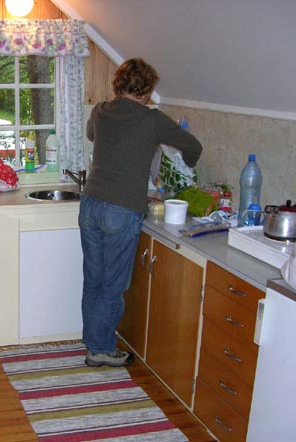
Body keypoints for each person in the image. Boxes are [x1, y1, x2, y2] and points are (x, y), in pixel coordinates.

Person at [81, 58, 203, 367]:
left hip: (91, 203)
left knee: (94, 280)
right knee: (112, 285)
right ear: (147, 91)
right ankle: (101, 349)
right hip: (121, 210)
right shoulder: (152, 119)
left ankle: (93, 342)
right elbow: (193, 147)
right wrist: (186, 167)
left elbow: (92, 135)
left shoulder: (100, 111)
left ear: (118, 84)